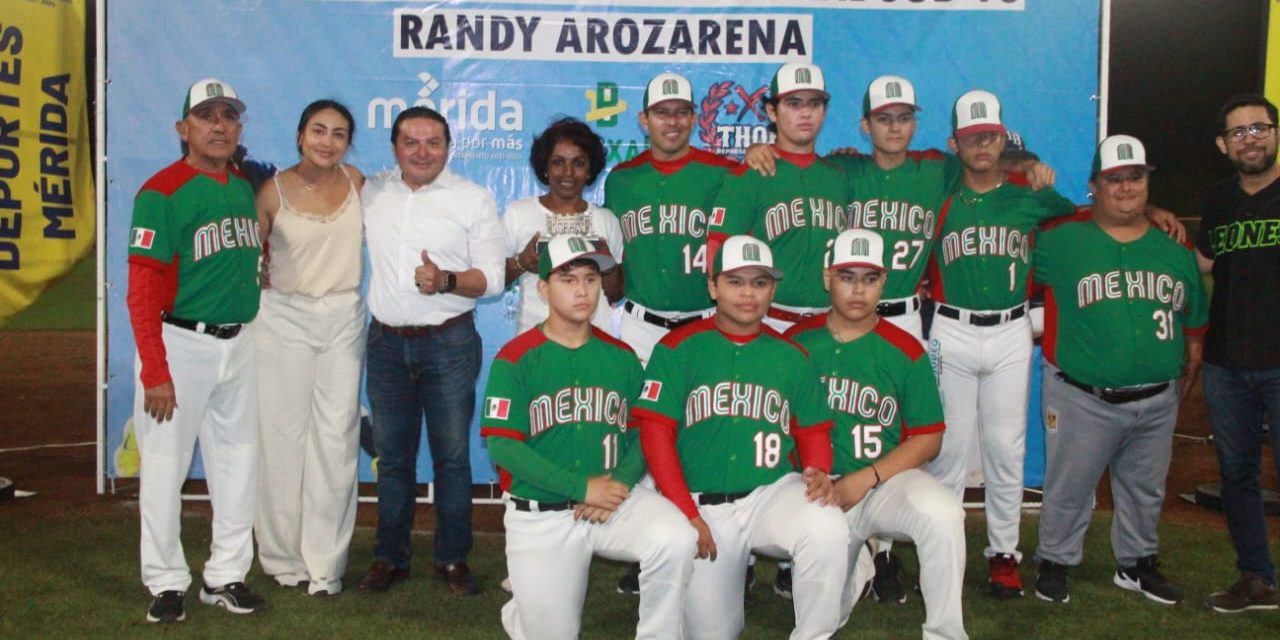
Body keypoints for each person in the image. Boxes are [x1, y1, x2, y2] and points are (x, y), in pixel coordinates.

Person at [633, 234, 850, 639]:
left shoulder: (792, 355)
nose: (748, 293)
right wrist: (686, 513)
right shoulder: (677, 348)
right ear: (713, 286)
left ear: (773, 289)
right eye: (735, 281)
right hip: (705, 509)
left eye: (760, 282)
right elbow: (656, 435)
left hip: (770, 496)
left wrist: (819, 469)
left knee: (827, 525)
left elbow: (813, 429)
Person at [483, 235, 696, 639]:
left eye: (590, 278)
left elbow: (642, 431)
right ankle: (528, 609)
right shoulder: (514, 360)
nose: (582, 290)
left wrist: (618, 483)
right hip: (543, 513)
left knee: (676, 538)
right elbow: (502, 445)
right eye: (567, 279)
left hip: (611, 504)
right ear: (543, 288)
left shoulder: (621, 356)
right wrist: (581, 487)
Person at [1031, 135, 1207, 606]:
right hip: (1081, 394)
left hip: (1156, 396)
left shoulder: (1173, 247)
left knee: (1146, 489)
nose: (1127, 187)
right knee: (1069, 486)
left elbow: (1193, 313)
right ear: (1094, 186)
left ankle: (1137, 564)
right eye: (1115, 179)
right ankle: (1055, 560)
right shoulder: (1060, 239)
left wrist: (1191, 354)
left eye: (1136, 177)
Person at [923, 91, 1075, 599]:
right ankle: (941, 548)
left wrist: (1161, 212)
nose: (982, 145)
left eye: (990, 135)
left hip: (1011, 331)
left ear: (1003, 137)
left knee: (1006, 450)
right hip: (951, 329)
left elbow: (1084, 222)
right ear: (954, 144)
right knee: (947, 449)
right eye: (971, 137)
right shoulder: (939, 192)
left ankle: (1003, 553)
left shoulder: (1031, 194)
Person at [126, 78, 266, 623]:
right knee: (163, 468)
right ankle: (165, 581)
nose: (219, 126)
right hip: (179, 343)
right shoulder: (160, 192)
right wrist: (156, 370)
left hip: (239, 341)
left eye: (228, 116)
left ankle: (226, 575)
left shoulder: (239, 186)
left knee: (237, 462)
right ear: (183, 128)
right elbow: (141, 291)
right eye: (206, 116)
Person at [786, 228, 967, 640]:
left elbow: (928, 438)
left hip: (880, 484)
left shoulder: (905, 350)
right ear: (827, 277)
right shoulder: (795, 343)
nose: (858, 290)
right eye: (848, 276)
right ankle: (859, 562)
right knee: (826, 620)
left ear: (884, 282)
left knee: (943, 514)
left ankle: (946, 634)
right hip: (812, 492)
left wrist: (866, 478)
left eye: (870, 279)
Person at [358, 106, 506, 595]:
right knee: (393, 459)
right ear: (395, 147)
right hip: (384, 344)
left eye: (433, 142)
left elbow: (493, 279)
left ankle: (452, 559)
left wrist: (445, 279)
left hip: (449, 343)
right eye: (411, 142)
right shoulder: (371, 192)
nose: (422, 152)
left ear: (449, 146)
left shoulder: (472, 198)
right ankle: (389, 558)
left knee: (452, 459)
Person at [253, 99, 365, 597]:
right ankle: (282, 558)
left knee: (337, 442)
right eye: (318, 131)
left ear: (348, 142)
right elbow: (249, 261)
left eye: (338, 133)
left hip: (343, 319)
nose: (327, 141)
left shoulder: (359, 183)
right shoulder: (270, 192)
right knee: (281, 440)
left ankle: (326, 564)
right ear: (300, 136)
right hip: (282, 319)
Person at [1196, 94, 1280, 613]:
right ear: (1224, 145)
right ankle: (1256, 580)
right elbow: (1201, 262)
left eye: (1260, 127)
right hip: (1227, 362)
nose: (1250, 137)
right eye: (1239, 131)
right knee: (1237, 476)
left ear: (1274, 134)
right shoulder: (1220, 200)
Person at [606, 72, 740, 365]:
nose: (672, 122)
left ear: (694, 118)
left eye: (681, 112)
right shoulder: (621, 180)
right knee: (638, 411)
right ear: (644, 119)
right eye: (662, 113)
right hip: (638, 328)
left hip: (705, 322)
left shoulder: (726, 173)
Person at [708, 62, 850, 334]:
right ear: (772, 111)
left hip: (829, 322)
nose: (806, 113)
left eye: (815, 104)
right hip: (768, 321)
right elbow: (718, 250)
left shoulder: (840, 176)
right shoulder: (749, 175)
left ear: (824, 110)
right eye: (794, 104)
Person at [503, 117, 623, 334]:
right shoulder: (519, 214)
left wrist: (607, 265)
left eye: (578, 163)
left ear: (589, 171)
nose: (568, 173)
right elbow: (493, 280)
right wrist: (521, 262)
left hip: (595, 341)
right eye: (558, 162)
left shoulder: (606, 220)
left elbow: (615, 294)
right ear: (545, 167)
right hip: (536, 339)